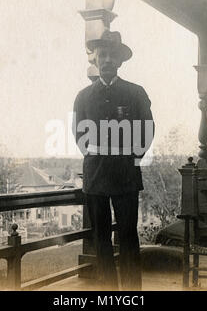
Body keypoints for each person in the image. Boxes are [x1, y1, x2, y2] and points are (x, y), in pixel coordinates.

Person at [72, 30, 155, 290]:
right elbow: (79, 133)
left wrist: (132, 157)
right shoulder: (83, 97)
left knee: (128, 236)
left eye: (112, 56)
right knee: (101, 239)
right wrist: (96, 155)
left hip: (126, 175)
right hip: (96, 176)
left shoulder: (135, 92)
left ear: (120, 61)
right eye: (102, 55)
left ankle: (132, 293)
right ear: (94, 60)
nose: (107, 60)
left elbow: (147, 130)